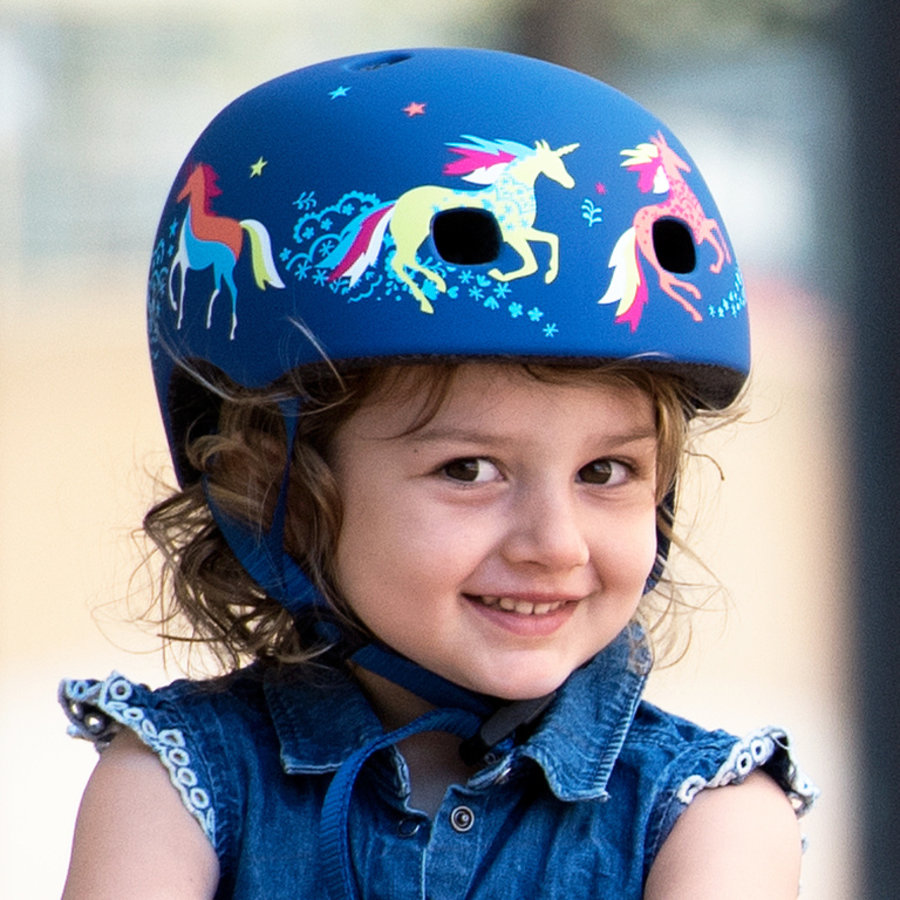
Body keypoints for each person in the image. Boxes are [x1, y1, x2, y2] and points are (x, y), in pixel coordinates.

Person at [59, 47, 817, 899]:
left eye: (605, 470)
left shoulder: (708, 816)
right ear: (275, 489)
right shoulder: (178, 786)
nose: (554, 544)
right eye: (469, 468)